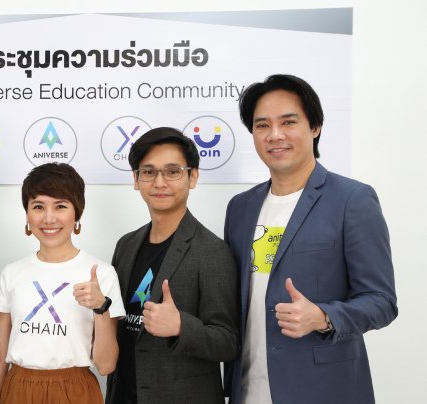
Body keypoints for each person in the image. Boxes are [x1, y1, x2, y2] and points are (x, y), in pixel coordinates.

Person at [224, 74, 398, 404]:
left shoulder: (352, 200)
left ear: (315, 127)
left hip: (322, 390)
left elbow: (381, 301)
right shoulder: (240, 208)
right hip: (248, 391)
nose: (275, 135)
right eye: (262, 125)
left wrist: (323, 316)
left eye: (288, 122)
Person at [104, 127, 239, 404]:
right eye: (149, 172)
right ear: (136, 179)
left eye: (172, 171)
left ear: (193, 176)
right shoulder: (126, 245)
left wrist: (180, 326)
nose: (159, 182)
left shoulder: (212, 251)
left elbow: (227, 342)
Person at [0, 163, 126, 404]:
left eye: (60, 206)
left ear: (77, 213)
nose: (49, 218)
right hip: (17, 389)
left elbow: (106, 365)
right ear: (27, 215)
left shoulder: (102, 273)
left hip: (76, 391)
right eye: (38, 206)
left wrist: (101, 308)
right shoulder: (12, 273)